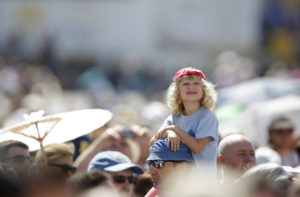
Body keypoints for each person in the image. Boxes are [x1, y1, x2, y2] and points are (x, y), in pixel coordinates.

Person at [149, 67, 218, 175]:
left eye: (196, 83)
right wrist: (169, 133)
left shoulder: (207, 116)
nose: (192, 87)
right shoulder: (174, 117)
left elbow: (197, 147)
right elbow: (153, 142)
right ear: (177, 92)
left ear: (204, 90)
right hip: (179, 180)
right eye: (186, 84)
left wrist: (175, 129)